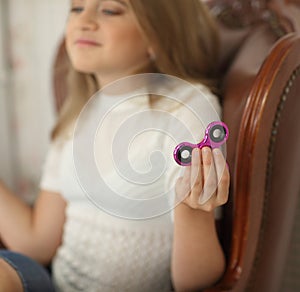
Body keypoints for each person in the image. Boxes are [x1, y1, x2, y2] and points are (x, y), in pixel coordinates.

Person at [0, 0, 230, 291]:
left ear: (157, 36)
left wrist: (192, 210)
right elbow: (37, 243)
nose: (85, 21)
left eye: (109, 10)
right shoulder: (76, 114)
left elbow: (194, 283)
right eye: (76, 8)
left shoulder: (187, 107)